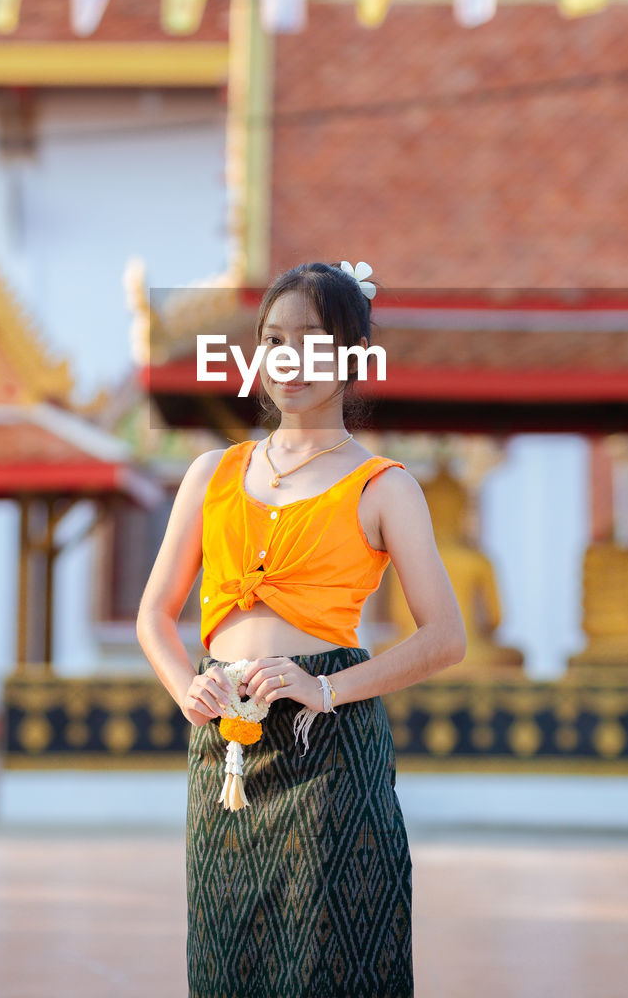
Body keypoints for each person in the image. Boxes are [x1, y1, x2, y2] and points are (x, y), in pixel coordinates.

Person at [136, 259, 467, 998]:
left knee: (324, 963)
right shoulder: (211, 475)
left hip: (328, 755)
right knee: (226, 960)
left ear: (350, 354)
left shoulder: (383, 485)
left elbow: (445, 636)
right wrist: (183, 686)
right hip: (223, 748)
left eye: (311, 340)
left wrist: (323, 687)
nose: (288, 359)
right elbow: (154, 615)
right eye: (273, 339)